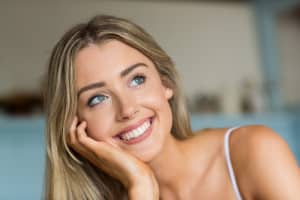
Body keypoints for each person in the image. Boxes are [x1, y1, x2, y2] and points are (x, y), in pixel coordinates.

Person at [44, 15, 300, 200]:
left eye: (136, 80)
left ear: (166, 83)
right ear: (75, 124)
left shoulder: (252, 151)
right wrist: (141, 186)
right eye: (98, 98)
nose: (127, 109)